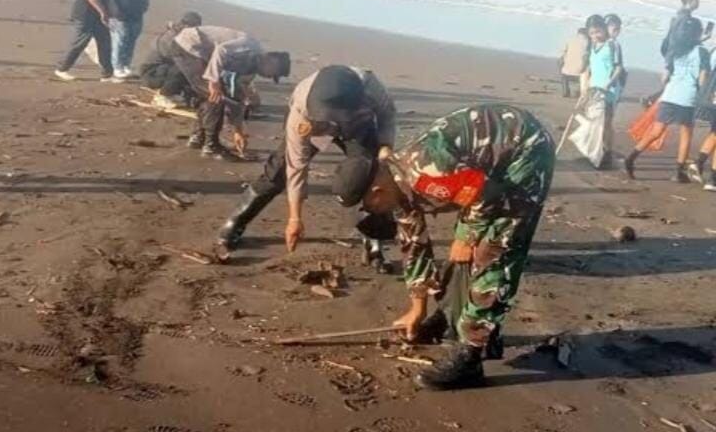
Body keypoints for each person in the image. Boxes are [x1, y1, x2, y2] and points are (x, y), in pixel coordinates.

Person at [333, 104, 554, 390]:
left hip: (524, 151)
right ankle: (450, 317)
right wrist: (417, 309)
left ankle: (471, 356)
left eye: (369, 208)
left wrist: (467, 237)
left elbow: (485, 195)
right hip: (482, 175)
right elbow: (414, 247)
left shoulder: (426, 175)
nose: (376, 214)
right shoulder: (395, 187)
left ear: (376, 192)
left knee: (493, 249)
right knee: (462, 252)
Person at [217, 65, 396, 270]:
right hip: (315, 126)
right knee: (278, 172)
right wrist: (295, 218)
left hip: (358, 126)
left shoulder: (370, 86)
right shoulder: (302, 108)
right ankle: (236, 222)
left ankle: (374, 240)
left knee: (368, 174)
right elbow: (296, 168)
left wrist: (386, 144)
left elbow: (387, 114)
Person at [171, 26, 290, 159]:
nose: (269, 77)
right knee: (215, 96)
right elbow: (221, 50)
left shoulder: (250, 71)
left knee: (209, 95)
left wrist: (238, 132)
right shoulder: (251, 46)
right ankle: (211, 146)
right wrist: (213, 80)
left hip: (201, 55)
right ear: (272, 60)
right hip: (189, 45)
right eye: (273, 73)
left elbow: (237, 98)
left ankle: (199, 137)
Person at [625, 16, 710, 182]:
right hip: (688, 97)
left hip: (670, 95)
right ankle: (679, 171)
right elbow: (702, 77)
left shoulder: (675, 50)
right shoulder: (702, 52)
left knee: (656, 131)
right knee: (686, 133)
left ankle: (632, 157)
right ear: (698, 33)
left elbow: (664, 77)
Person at [581, 14, 624, 169]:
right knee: (593, 121)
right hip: (593, 89)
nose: (595, 35)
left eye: (598, 31)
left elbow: (618, 68)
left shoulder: (612, 45)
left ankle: (607, 153)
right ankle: (594, 152)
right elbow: (589, 69)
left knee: (606, 123)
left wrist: (608, 84)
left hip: (608, 91)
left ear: (604, 29)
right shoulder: (592, 46)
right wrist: (585, 87)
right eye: (592, 33)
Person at [140, 11, 202, 108]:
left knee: (190, 67)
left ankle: (174, 92)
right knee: (183, 68)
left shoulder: (181, 35)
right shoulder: (170, 38)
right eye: (194, 28)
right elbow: (177, 59)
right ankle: (163, 96)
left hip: (162, 70)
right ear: (186, 25)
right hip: (150, 74)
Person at [109, 0, 150, 80]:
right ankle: (117, 67)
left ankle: (126, 65)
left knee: (132, 40)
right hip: (120, 14)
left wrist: (145, 6)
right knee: (120, 40)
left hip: (137, 13)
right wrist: (115, 11)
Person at [688, 47, 716, 190]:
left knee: (714, 133)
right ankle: (713, 179)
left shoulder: (714, 51)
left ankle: (699, 163)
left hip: (711, 97)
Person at [558, 27, 588, 98]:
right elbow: (587, 56)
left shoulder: (569, 39)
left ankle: (565, 91)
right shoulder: (587, 42)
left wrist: (562, 63)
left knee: (562, 70)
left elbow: (562, 54)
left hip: (566, 71)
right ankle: (579, 90)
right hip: (580, 72)